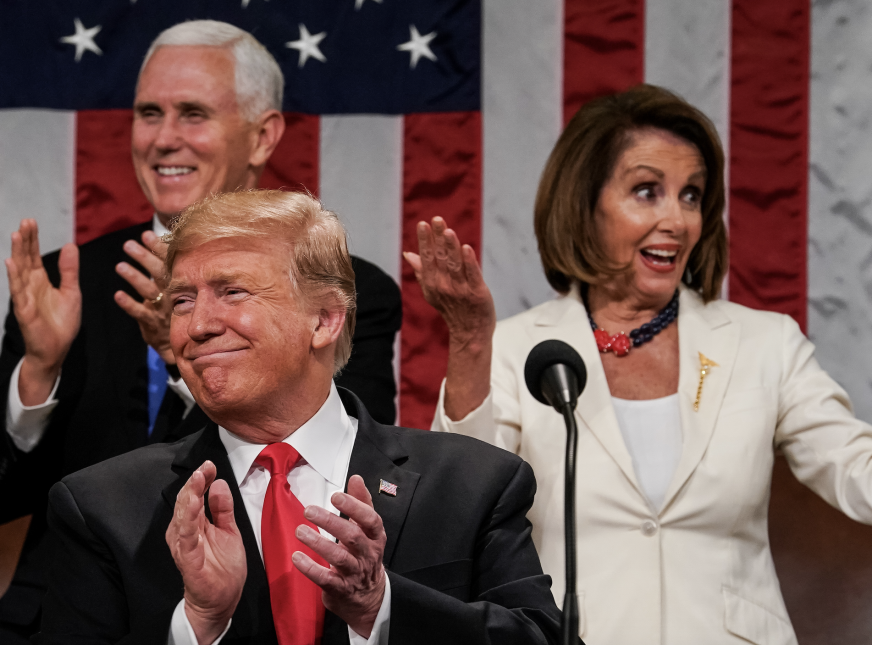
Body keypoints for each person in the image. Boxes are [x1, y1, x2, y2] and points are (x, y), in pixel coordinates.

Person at [0, 21, 401, 644]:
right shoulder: (67, 282)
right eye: (148, 113)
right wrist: (40, 371)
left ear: (263, 135)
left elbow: (358, 474)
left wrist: (190, 358)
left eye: (192, 114)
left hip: (250, 619)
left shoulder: (338, 291)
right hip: (67, 622)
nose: (163, 139)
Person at [406, 83, 872, 645]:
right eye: (648, 191)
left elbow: (853, 466)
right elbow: (463, 511)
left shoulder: (764, 342)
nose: (678, 220)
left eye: (692, 195)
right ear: (586, 204)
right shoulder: (512, 349)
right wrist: (470, 344)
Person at [35, 189, 565, 645]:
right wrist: (198, 625)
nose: (195, 327)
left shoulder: (471, 485)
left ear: (325, 319)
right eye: (181, 301)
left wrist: (381, 607)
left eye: (231, 292)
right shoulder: (104, 508)